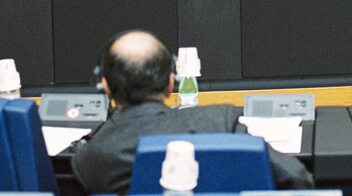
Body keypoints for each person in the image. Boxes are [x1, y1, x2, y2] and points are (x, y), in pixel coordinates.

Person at [71, 30, 314, 194]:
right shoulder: (221, 121)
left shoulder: (89, 159)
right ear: (170, 83)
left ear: (105, 87)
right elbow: (296, 177)